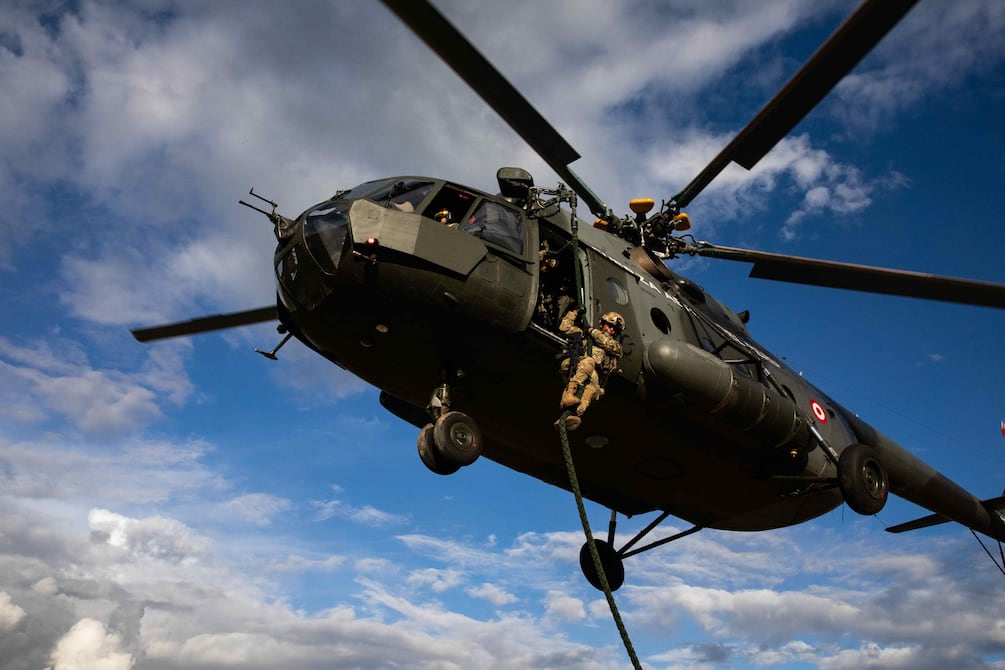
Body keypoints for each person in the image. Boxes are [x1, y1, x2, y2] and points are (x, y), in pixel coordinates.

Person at [558, 309, 625, 430]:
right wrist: (574, 313)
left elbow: (606, 343)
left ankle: (572, 415)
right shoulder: (584, 336)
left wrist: (592, 331)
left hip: (591, 376)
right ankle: (569, 394)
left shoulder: (616, 347)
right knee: (589, 362)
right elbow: (564, 328)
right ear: (602, 324)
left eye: (615, 329)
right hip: (574, 366)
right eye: (609, 326)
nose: (612, 330)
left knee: (591, 390)